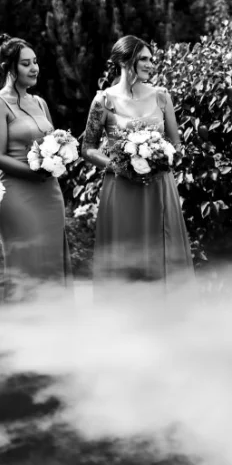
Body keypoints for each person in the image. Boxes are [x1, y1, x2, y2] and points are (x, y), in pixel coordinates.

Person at [80, 35, 194, 289]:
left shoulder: (162, 97)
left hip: (159, 187)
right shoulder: (103, 101)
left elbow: (177, 145)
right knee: (125, 256)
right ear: (124, 60)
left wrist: (163, 157)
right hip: (121, 188)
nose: (150, 64)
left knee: (161, 252)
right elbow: (87, 148)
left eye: (151, 59)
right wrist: (115, 165)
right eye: (143, 58)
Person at [0, 34, 70, 290]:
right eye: (26, 63)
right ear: (8, 67)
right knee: (27, 265)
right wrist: (35, 173)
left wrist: (62, 155)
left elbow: (55, 139)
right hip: (18, 195)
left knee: (52, 263)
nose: (34, 68)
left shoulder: (40, 102)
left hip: (50, 194)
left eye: (35, 62)